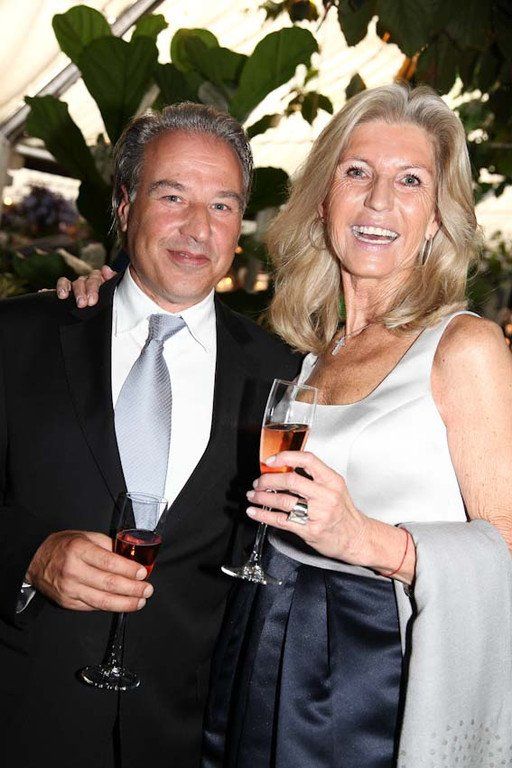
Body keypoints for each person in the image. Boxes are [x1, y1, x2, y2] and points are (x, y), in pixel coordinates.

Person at [195, 84, 511, 767]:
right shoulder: (313, 352)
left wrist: (366, 539)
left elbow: (508, 541)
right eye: (357, 172)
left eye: (410, 181)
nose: (378, 201)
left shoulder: (464, 347)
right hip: (265, 637)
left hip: (376, 669)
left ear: (437, 216)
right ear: (323, 199)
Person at [0, 102, 300, 768]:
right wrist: (28, 556)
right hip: (21, 720)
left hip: (182, 738)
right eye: (172, 196)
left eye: (222, 206)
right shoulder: (18, 338)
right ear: (125, 204)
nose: (198, 228)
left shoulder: (279, 373)